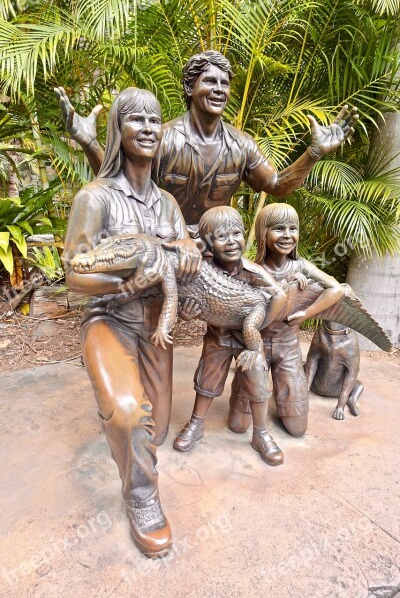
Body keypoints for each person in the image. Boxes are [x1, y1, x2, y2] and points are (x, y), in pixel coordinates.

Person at [55, 50, 359, 432]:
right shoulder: (163, 137)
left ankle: (252, 400)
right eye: (209, 80)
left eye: (224, 82)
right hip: (167, 247)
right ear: (190, 87)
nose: (218, 89)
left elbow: (277, 185)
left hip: (214, 253)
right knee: (164, 312)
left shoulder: (241, 145)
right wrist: (88, 143)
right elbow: (123, 180)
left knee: (246, 310)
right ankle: (120, 365)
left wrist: (313, 153)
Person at [63, 88, 201, 558]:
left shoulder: (167, 205)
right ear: (118, 132)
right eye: (135, 119)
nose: (146, 127)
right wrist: (127, 282)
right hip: (109, 319)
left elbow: (187, 253)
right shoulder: (94, 198)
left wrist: (187, 252)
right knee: (128, 414)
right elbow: (74, 277)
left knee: (155, 431)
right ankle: (141, 498)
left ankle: (125, 423)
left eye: (154, 120)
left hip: (156, 329)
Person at [173, 205, 286, 465]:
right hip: (218, 336)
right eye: (221, 236)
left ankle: (261, 434)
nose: (232, 241)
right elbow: (188, 304)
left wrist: (258, 325)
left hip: (249, 340)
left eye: (236, 233)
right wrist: (186, 314)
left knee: (257, 378)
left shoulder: (252, 271)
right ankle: (196, 424)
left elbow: (279, 294)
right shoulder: (202, 268)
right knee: (207, 378)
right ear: (208, 242)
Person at [231, 203, 345, 438]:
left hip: (288, 347)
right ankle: (256, 392)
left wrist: (307, 312)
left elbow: (336, 289)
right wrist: (286, 286)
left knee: (297, 429)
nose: (287, 235)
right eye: (279, 229)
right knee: (238, 425)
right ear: (263, 232)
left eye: (293, 228)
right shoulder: (252, 269)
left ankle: (284, 393)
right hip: (256, 345)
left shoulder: (300, 266)